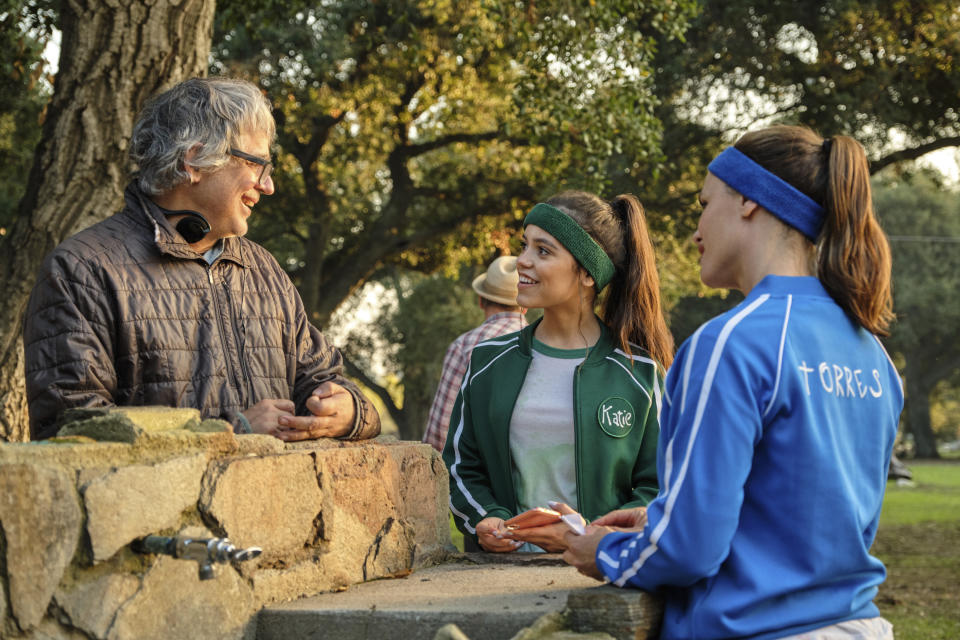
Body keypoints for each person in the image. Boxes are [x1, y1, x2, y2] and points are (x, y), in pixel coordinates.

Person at [562, 126, 903, 639]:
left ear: (747, 200)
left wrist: (602, 551)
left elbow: (688, 551)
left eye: (704, 203)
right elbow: (806, 518)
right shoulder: (872, 354)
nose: (695, 230)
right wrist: (662, 516)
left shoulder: (731, 344)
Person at [23, 77, 380, 442]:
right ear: (194, 161)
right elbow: (71, 432)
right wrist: (230, 433)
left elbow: (322, 379)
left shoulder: (265, 272)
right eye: (258, 165)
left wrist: (349, 410)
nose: (268, 186)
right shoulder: (80, 271)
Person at [443, 191, 674, 553]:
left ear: (586, 273)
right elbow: (460, 466)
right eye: (524, 246)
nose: (522, 261)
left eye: (543, 251)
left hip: (597, 576)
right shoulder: (487, 361)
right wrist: (485, 518)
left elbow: (658, 486)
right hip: (495, 577)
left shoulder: (639, 373)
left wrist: (593, 536)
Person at [422, 256, 527, 453]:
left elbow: (440, 432)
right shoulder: (543, 345)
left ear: (481, 300)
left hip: (476, 475)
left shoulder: (465, 345)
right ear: (526, 306)